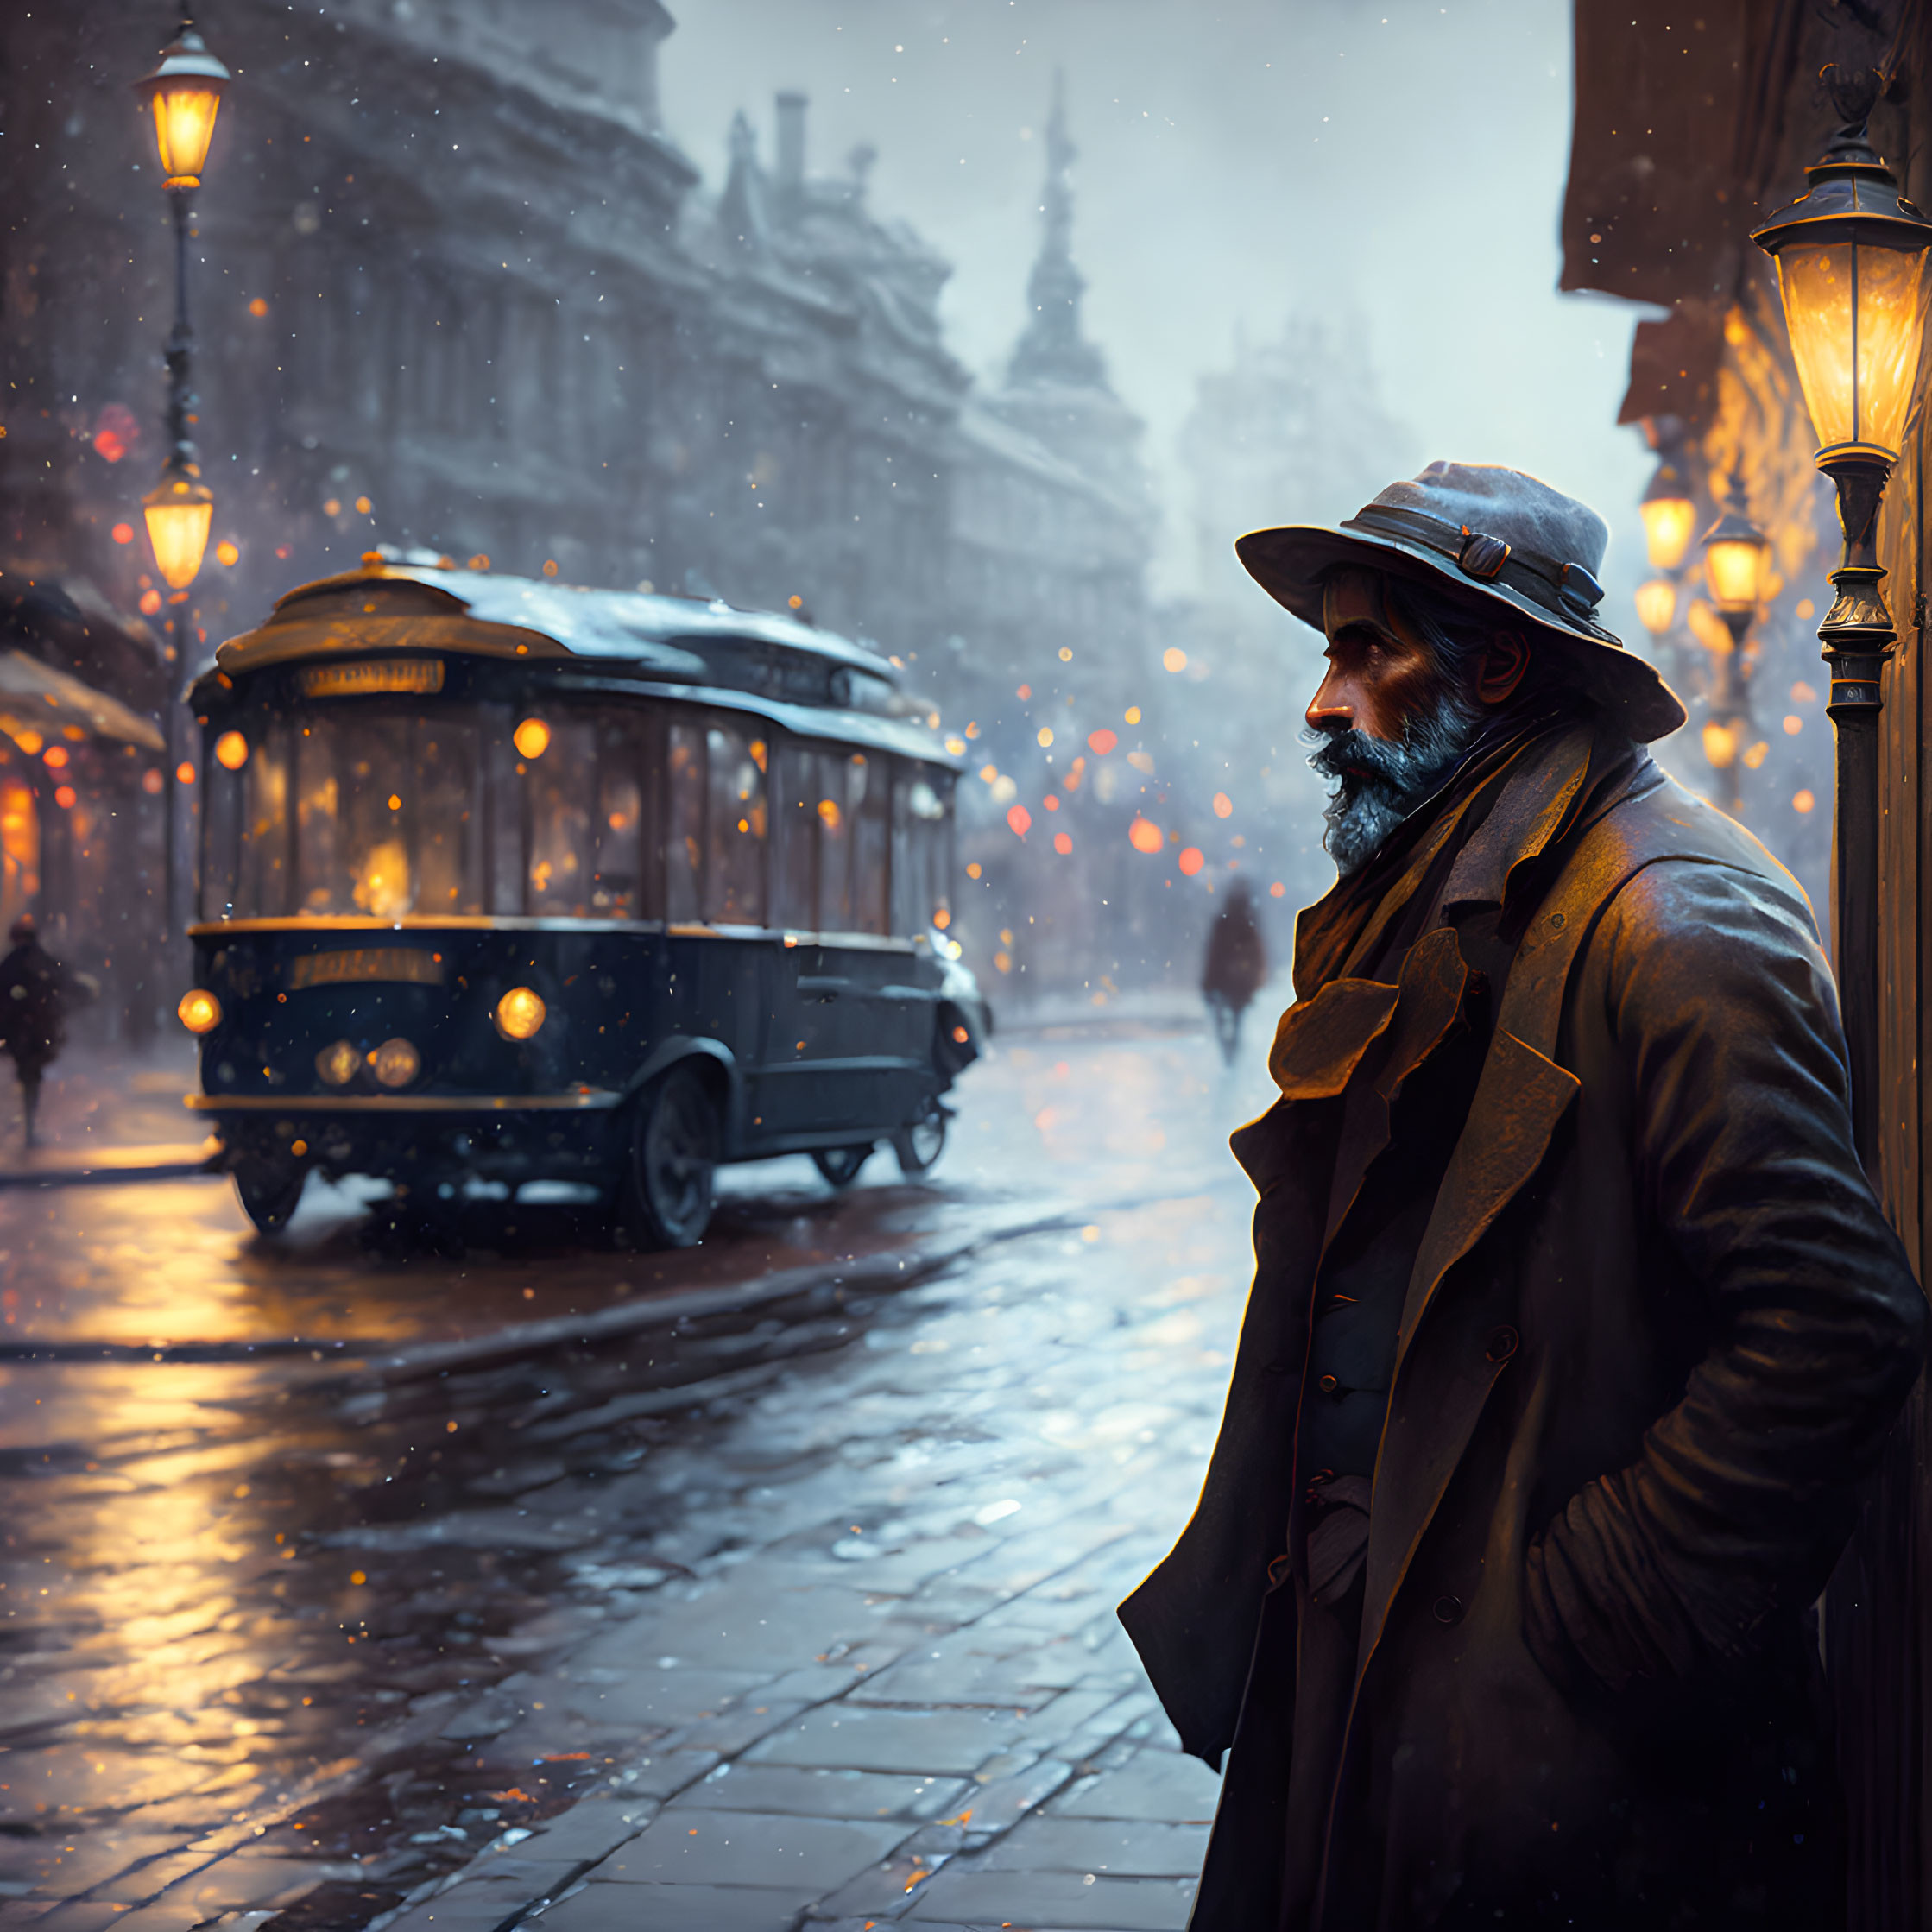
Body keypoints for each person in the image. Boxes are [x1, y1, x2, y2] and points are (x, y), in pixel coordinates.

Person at [1118, 462, 1926, 1930]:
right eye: (1326, 651)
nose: (1322, 704)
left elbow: (1832, 1323)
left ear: (1496, 664)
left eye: (1366, 649)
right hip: (1403, 1707)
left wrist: (1580, 1615)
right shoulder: (1458, 885)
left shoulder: (1672, 918)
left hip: (1570, 1764)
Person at [0, 916, 91, 1147]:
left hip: (22, 1031)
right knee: (32, 1076)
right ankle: (29, 1125)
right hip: (38, 1029)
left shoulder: (12, 963)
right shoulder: (41, 960)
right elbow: (64, 982)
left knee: (28, 1075)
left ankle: (29, 1125)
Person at [1203, 877, 1269, 1064]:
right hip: (1236, 984)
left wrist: (1209, 983)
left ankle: (1230, 1059)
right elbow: (1256, 956)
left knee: (1226, 1023)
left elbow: (1214, 955)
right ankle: (1232, 1058)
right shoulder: (1248, 923)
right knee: (1234, 1023)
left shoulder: (1227, 923)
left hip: (1226, 983)